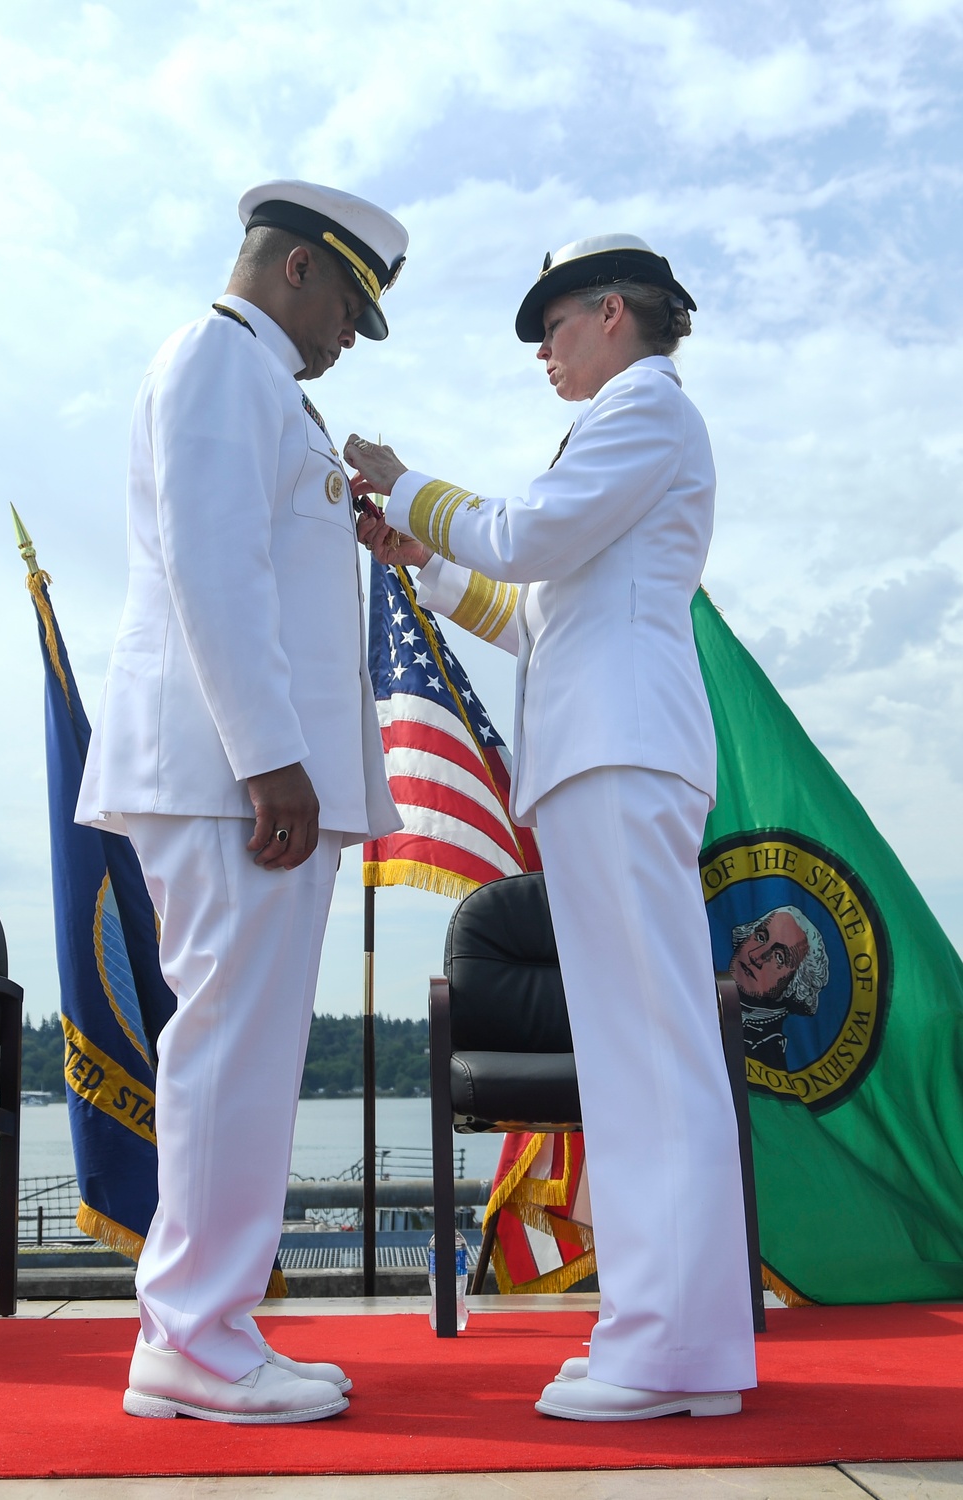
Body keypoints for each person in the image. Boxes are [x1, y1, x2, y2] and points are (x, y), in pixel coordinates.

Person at [347, 233, 758, 1422]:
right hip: (600, 750)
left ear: (615, 312)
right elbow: (537, 617)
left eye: (554, 323)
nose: (543, 349)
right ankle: (656, 1333)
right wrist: (421, 554)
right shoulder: (621, 426)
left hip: (622, 752)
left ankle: (673, 1351)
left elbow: (525, 538)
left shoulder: (647, 410)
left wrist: (406, 475)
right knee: (630, 1058)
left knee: (650, 1055)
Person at [75, 180, 407, 1424]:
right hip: (233, 783)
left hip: (253, 782)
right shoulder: (218, 361)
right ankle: (193, 1339)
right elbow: (215, 569)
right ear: (298, 272)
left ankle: (210, 1322)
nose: (344, 346)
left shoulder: (271, 389)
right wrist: (272, 760)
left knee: (249, 1057)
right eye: (346, 317)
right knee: (228, 1052)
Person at [729, 906, 829, 1067]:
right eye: (760, 937)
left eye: (779, 957)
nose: (755, 956)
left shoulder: (769, 1053)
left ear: (796, 983)